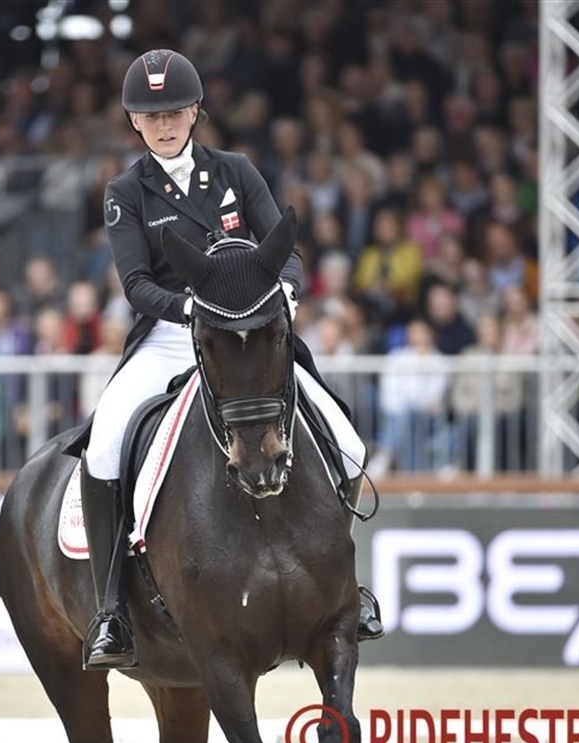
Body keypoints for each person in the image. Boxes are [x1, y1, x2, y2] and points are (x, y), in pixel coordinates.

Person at [74, 49, 382, 670]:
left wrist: (286, 292)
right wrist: (192, 308)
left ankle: (343, 586)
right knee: (103, 446)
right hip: (174, 332)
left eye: (173, 112)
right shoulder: (126, 191)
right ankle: (112, 610)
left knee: (348, 444)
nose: (164, 124)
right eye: (150, 115)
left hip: (250, 335)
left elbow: (284, 250)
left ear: (195, 111)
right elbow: (135, 284)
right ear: (134, 121)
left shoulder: (236, 171)